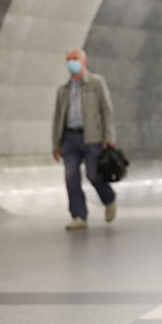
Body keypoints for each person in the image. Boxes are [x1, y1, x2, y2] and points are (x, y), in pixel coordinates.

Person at [51, 49, 117, 231]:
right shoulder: (63, 90)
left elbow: (107, 110)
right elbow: (58, 118)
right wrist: (56, 144)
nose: (71, 62)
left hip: (92, 137)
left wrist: (109, 136)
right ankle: (79, 215)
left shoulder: (96, 83)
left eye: (75, 59)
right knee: (71, 177)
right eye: (68, 60)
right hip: (69, 137)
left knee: (93, 174)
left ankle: (109, 198)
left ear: (84, 61)